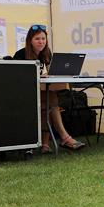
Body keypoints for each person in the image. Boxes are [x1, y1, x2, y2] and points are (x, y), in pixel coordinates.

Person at [13, 24, 86, 152]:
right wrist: (42, 75)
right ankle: (64, 137)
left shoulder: (46, 53)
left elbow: (51, 72)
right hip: (21, 94)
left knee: (48, 101)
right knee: (50, 97)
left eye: (43, 38)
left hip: (36, 92)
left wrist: (54, 73)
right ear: (30, 40)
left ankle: (45, 145)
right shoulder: (21, 54)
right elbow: (18, 78)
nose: (41, 42)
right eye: (37, 39)